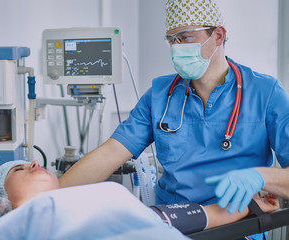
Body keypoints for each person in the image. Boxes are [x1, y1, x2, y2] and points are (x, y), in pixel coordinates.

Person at [59, 1, 289, 239]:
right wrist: (44, 198)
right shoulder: (160, 96)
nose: (177, 48)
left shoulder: (265, 93)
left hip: (239, 228)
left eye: (185, 37)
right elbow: (110, 154)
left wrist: (261, 176)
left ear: (218, 35)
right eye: (172, 40)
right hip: (173, 227)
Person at [0, 160, 279, 240]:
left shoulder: (106, 195)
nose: (32, 163)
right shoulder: (13, 223)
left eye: (32, 161)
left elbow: (204, 214)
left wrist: (253, 206)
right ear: (7, 203)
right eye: (19, 168)